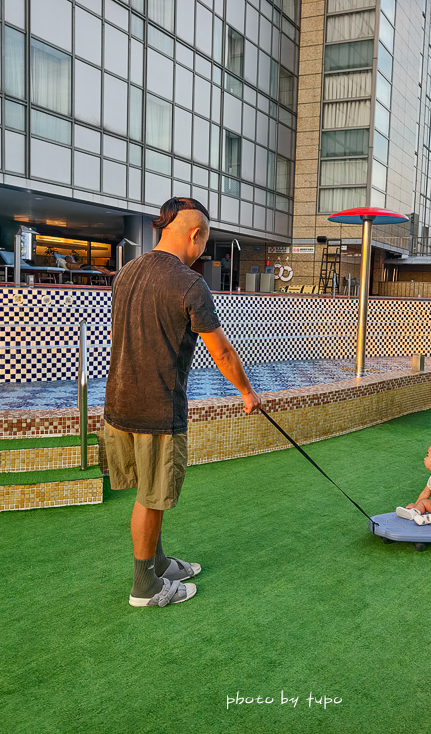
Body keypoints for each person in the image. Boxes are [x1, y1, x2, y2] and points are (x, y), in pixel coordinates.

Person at [104, 197, 262, 608]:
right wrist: (247, 392)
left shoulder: (127, 272)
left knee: (147, 489)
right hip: (156, 408)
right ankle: (145, 586)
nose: (202, 252)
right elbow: (222, 352)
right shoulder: (190, 283)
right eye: (204, 243)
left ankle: (156, 563)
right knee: (152, 497)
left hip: (117, 404)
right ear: (195, 234)